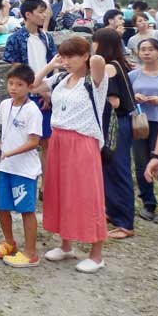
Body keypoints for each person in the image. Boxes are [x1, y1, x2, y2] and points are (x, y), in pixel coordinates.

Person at [33, 36, 108, 273]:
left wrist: (86, 49)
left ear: (84, 56)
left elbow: (98, 61)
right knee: (60, 191)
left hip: (82, 140)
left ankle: (96, 255)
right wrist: (51, 65)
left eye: (70, 56)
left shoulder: (94, 81)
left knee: (87, 194)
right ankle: (66, 244)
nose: (66, 61)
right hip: (58, 139)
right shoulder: (60, 78)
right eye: (63, 56)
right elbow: (33, 85)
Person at [0, 65, 43, 267]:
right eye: (11, 83)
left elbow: (33, 141)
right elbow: (4, 135)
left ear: (29, 87)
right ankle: (9, 243)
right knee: (2, 207)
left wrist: (8, 154)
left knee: (26, 210)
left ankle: (31, 254)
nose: (13, 88)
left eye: (19, 85)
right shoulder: (5, 105)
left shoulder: (32, 111)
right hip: (5, 167)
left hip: (24, 170)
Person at [94, 28, 137, 240]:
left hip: (115, 124)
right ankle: (112, 211)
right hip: (120, 123)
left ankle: (125, 223)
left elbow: (114, 101)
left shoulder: (110, 68)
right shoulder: (120, 63)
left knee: (119, 171)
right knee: (109, 169)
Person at [3, 0, 57, 164]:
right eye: (40, 12)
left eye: (44, 12)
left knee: (47, 141)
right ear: (28, 14)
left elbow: (54, 65)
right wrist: (36, 90)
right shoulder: (16, 39)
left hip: (46, 92)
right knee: (26, 139)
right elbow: (18, 72)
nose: (44, 16)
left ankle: (46, 186)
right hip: (28, 94)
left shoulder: (47, 38)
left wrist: (49, 91)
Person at [129, 38, 158, 222]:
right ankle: (148, 202)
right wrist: (135, 96)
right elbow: (125, 95)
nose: (147, 52)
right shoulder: (134, 75)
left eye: (151, 49)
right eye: (143, 49)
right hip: (139, 122)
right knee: (141, 163)